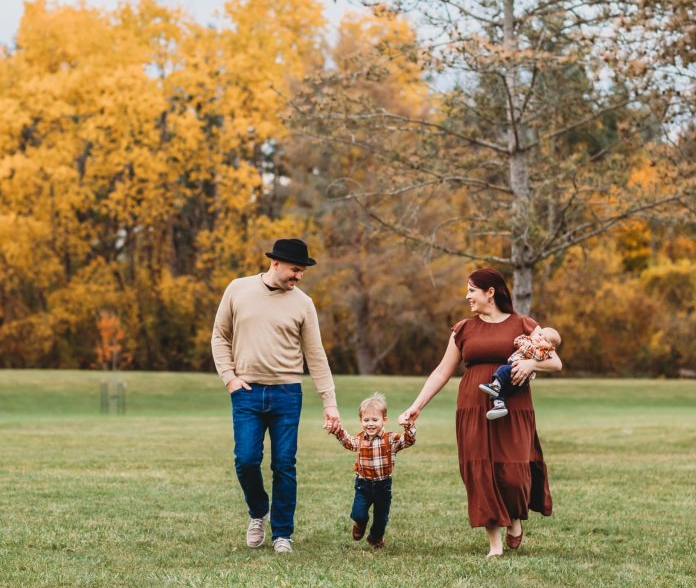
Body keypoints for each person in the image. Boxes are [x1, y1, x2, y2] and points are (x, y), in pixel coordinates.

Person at [399, 268, 562, 557]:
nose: (467, 296)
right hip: (473, 406)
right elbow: (441, 372)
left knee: (513, 473)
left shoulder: (523, 324)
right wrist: (416, 406)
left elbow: (555, 363)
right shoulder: (464, 329)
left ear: (490, 292)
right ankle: (494, 544)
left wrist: (531, 366)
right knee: (480, 471)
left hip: (513, 407)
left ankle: (514, 519)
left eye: (471, 290)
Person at [211, 238, 342, 554]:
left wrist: (330, 403)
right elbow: (220, 336)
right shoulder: (238, 290)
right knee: (246, 460)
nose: (298, 277)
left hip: (287, 393)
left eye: (302, 272)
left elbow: (315, 354)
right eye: (295, 270)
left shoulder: (303, 303)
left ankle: (282, 533)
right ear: (276, 264)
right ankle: (259, 513)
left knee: (284, 464)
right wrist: (229, 378)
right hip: (247, 392)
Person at [324, 392, 416, 549]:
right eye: (366, 420)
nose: (370, 424)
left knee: (381, 519)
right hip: (363, 485)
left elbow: (408, 440)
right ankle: (360, 524)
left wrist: (408, 426)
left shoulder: (391, 439)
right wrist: (337, 430)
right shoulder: (360, 439)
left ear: (384, 420)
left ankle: (375, 538)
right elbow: (348, 442)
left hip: (383, 486)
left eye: (375, 420)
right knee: (359, 513)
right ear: (361, 421)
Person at [479, 325, 561, 420]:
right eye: (540, 334)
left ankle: (495, 386)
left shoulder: (544, 353)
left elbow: (533, 353)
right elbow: (516, 341)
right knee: (502, 391)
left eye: (545, 340)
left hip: (520, 374)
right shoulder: (530, 341)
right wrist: (527, 341)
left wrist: (526, 343)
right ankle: (499, 406)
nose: (540, 338)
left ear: (551, 348)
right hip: (515, 372)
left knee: (502, 369)